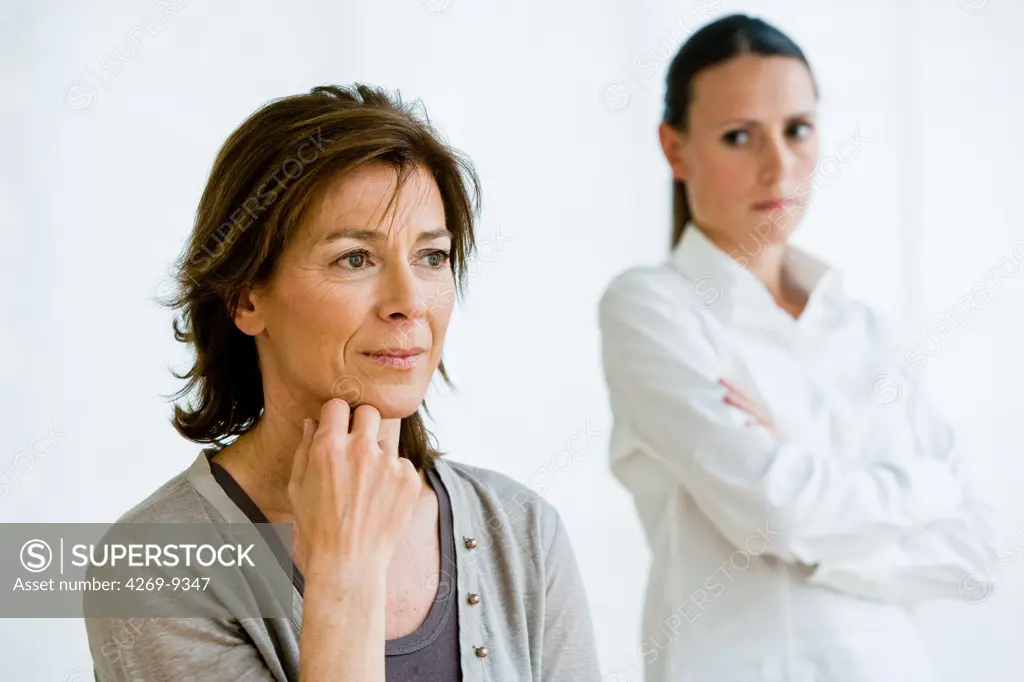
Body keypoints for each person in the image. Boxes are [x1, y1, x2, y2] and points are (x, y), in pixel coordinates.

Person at [84, 84, 600, 681]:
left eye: (432, 257)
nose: (410, 303)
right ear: (247, 298)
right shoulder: (152, 567)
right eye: (355, 258)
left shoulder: (521, 527)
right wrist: (344, 570)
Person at [598, 14, 1002, 682]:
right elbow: (777, 513)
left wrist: (812, 517)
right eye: (738, 136)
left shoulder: (864, 328)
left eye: (798, 130)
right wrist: (923, 489)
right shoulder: (652, 308)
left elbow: (979, 553)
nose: (778, 165)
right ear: (675, 148)